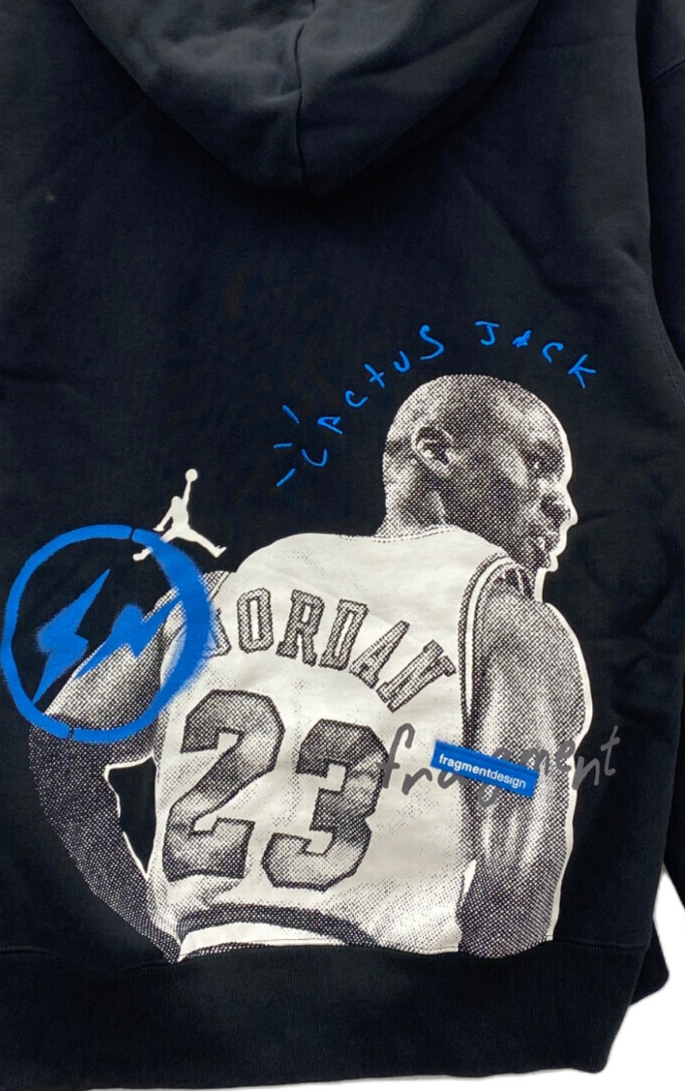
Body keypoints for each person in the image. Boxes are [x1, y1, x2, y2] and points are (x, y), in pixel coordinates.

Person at [38, 373, 592, 959]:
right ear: (435, 451)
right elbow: (518, 876)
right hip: (375, 988)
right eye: (538, 466)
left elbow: (54, 751)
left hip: (204, 975)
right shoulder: (509, 625)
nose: (564, 506)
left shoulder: (209, 598)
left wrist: (143, 932)